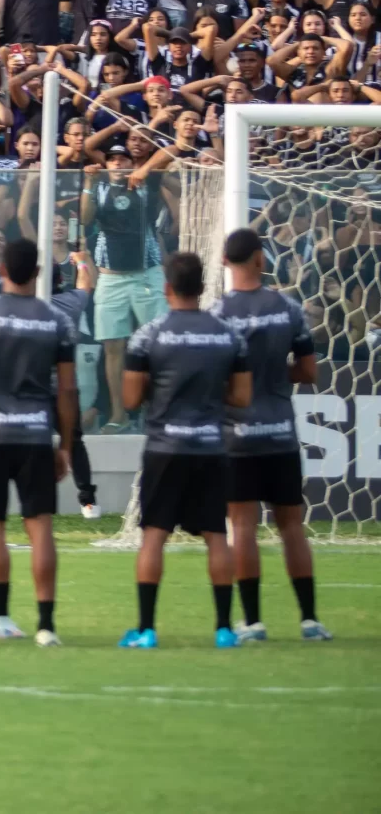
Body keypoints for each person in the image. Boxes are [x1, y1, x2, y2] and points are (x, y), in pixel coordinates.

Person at [119, 249, 253, 648]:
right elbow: (243, 398)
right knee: (216, 535)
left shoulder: (149, 335)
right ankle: (224, 629)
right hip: (211, 447)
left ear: (167, 288)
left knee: (154, 536)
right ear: (202, 287)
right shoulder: (227, 334)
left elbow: (128, 399)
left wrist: (157, 392)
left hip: (164, 448)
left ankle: (146, 630)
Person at [0, 237, 76, 648]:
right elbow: (68, 392)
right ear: (38, 273)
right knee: (40, 528)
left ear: (0, 270)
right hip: (35, 434)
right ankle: (46, 626)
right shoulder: (56, 320)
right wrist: (66, 446)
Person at [214, 228, 331, 642]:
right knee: (292, 528)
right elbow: (309, 372)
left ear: (225, 263)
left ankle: (253, 622)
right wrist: (273, 375)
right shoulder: (288, 308)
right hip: (280, 432)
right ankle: (310, 620)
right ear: (261, 259)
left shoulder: (219, 315)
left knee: (242, 528)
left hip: (237, 436)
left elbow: (215, 377)